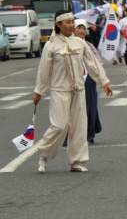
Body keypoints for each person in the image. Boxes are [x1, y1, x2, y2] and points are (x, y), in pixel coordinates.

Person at [33, 10, 113, 173]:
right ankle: (43, 155)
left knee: (79, 126)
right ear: (58, 25)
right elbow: (44, 71)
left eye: (72, 22)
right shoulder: (51, 45)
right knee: (59, 126)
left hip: (78, 90)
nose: (71, 25)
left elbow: (92, 64)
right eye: (67, 22)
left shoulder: (80, 43)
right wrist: (39, 92)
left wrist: (104, 81)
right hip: (59, 90)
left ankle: (76, 161)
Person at [73, 19, 104, 144]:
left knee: (90, 106)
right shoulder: (69, 45)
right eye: (78, 28)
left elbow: (98, 62)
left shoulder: (89, 46)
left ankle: (88, 135)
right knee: (75, 108)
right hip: (74, 80)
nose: (81, 31)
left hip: (88, 80)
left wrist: (100, 77)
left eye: (83, 28)